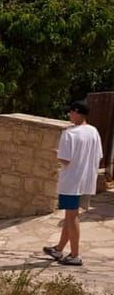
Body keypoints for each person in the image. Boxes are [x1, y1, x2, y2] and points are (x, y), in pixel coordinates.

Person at [43, 100, 103, 266]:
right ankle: (58, 249)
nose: (69, 114)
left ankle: (75, 255)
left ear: (77, 113)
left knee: (71, 218)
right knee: (71, 215)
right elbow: (98, 155)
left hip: (71, 182)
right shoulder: (94, 132)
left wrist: (56, 153)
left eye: (70, 112)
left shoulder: (69, 134)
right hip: (87, 181)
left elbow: (65, 160)